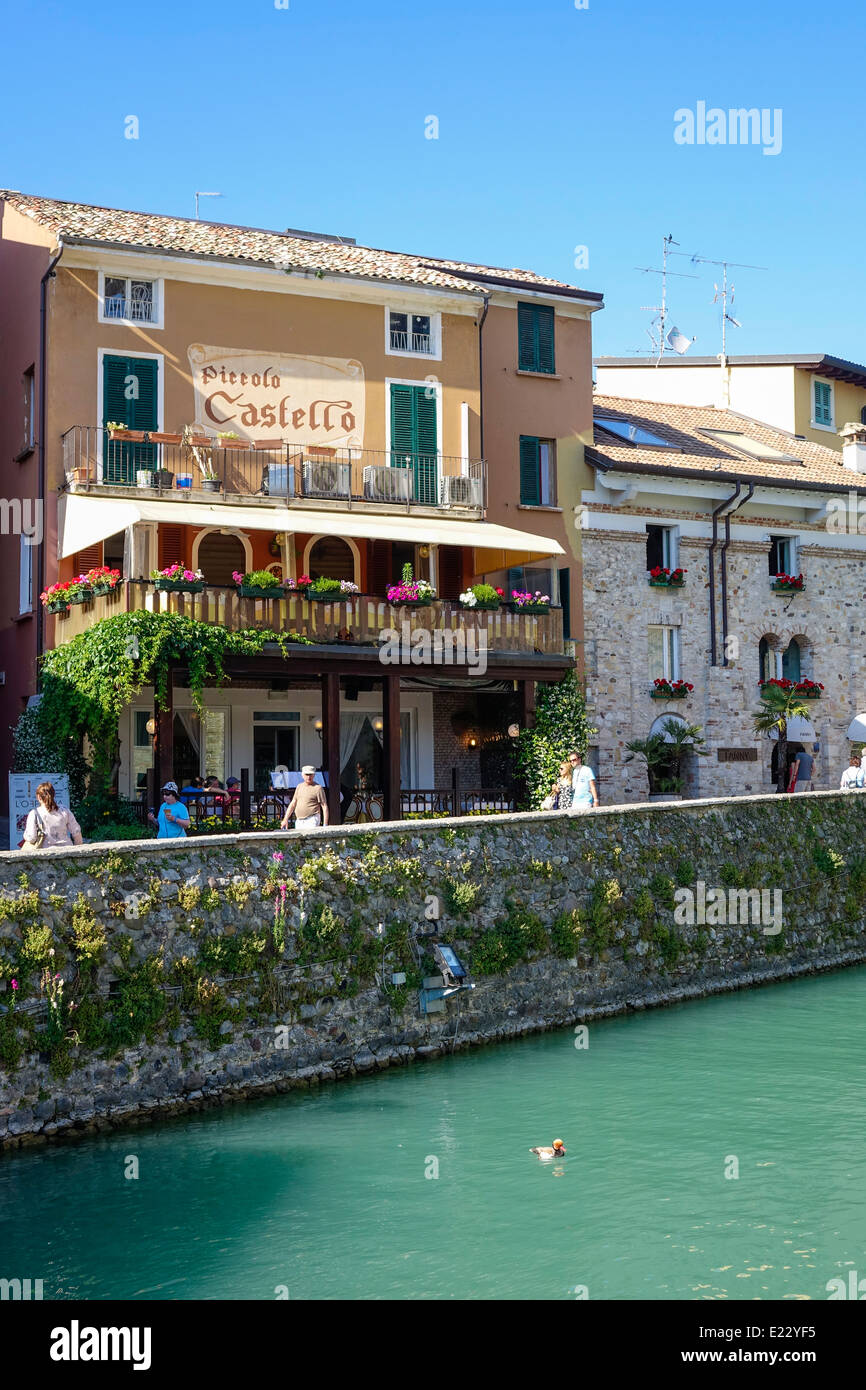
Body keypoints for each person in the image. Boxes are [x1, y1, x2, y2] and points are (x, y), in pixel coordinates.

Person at [21, 782, 83, 849]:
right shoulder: (64, 810)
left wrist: (25, 835)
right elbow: (76, 832)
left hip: (45, 852)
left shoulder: (34, 813)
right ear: (54, 794)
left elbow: (31, 838)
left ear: (38, 797)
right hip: (66, 849)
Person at [280, 765, 329, 830]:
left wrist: (325, 825)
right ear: (302, 775)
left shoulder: (318, 788)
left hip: (312, 819)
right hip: (299, 820)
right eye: (307, 774)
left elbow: (324, 806)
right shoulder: (299, 787)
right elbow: (293, 803)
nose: (309, 777)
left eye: (310, 774)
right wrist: (285, 819)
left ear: (314, 775)